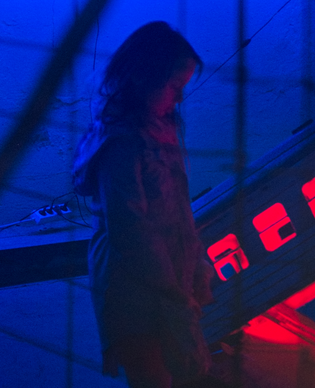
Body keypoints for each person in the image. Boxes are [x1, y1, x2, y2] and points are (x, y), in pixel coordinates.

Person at [71, 22, 213, 388]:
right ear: (141, 77)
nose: (179, 99)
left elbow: (177, 208)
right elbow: (130, 228)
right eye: (174, 87)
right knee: (151, 374)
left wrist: (194, 264)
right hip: (131, 283)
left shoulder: (160, 129)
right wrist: (173, 287)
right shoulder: (120, 143)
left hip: (163, 279)